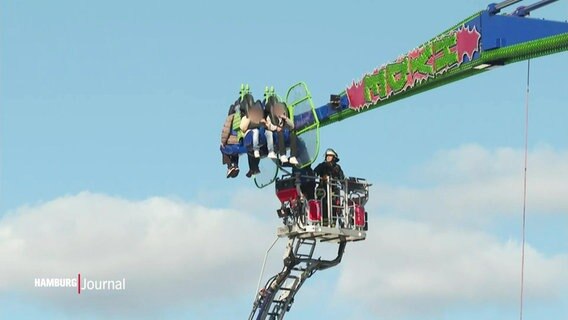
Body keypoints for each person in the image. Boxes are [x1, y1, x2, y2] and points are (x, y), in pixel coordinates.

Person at [314, 148, 345, 224]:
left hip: (333, 190)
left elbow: (342, 178)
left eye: (330, 156)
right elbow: (314, 173)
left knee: (334, 206)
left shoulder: (337, 168)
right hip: (322, 189)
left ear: (334, 157)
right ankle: (322, 222)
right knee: (323, 205)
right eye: (327, 156)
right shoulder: (322, 165)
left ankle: (333, 222)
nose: (328, 157)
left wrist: (342, 182)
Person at [270, 101, 298, 165]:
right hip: (275, 135)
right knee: (280, 133)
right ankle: (282, 155)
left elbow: (292, 125)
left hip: (285, 134)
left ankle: (293, 156)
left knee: (293, 135)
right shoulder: (271, 117)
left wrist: (285, 118)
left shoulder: (284, 118)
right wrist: (276, 128)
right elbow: (268, 125)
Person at [220, 100, 242, 178]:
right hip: (240, 142)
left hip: (231, 142)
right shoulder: (243, 116)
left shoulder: (230, 118)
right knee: (236, 152)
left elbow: (225, 131)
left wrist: (223, 142)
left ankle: (230, 166)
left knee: (223, 148)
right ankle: (235, 165)